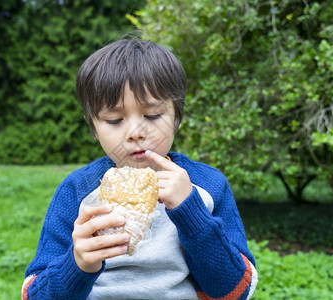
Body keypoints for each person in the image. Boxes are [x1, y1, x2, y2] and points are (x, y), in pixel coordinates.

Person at [22, 38, 258, 300]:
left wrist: (190, 211)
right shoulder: (78, 191)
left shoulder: (207, 186)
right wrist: (78, 264)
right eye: (114, 120)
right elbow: (36, 294)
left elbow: (235, 290)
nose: (135, 133)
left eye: (153, 116)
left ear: (176, 117)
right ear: (94, 128)